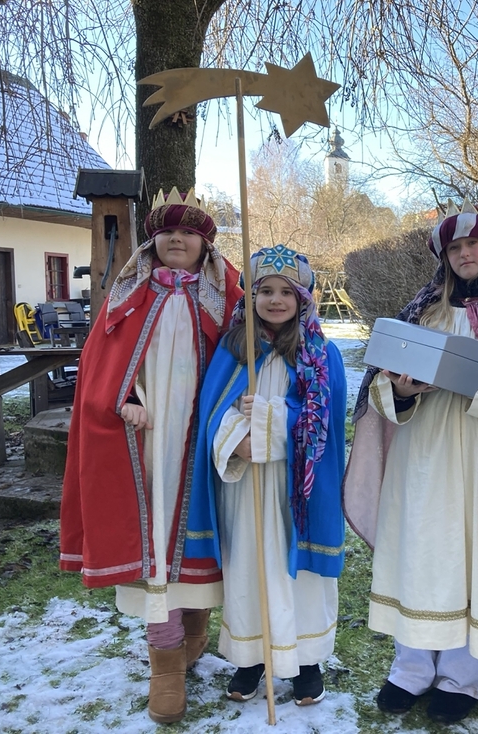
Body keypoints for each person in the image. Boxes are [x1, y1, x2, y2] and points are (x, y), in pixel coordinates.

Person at [344, 199, 478, 724]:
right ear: (444, 255)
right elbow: (377, 392)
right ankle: (412, 667)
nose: (465, 254)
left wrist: (474, 382)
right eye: (455, 247)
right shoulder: (421, 311)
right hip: (417, 455)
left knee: (469, 555)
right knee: (417, 550)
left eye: (473, 245)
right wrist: (402, 391)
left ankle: (466, 676)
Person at [59, 187, 243, 724]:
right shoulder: (128, 297)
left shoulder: (228, 301)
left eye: (188, 232)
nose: (177, 239)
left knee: (199, 537)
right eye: (168, 232)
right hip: (148, 442)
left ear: (206, 244)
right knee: (156, 540)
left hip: (204, 438)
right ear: (153, 242)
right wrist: (125, 398)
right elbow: (102, 365)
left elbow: (258, 355)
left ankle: (194, 631)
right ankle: (165, 665)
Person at [188, 245, 347, 706]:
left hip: (296, 489)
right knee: (249, 564)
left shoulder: (322, 354)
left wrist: (269, 420)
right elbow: (211, 413)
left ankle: (307, 662)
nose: (275, 300)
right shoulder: (233, 350)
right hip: (247, 487)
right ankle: (251, 658)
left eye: (286, 292)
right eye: (265, 291)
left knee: (299, 575)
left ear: (303, 298)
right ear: (251, 297)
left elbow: (325, 423)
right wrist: (235, 437)